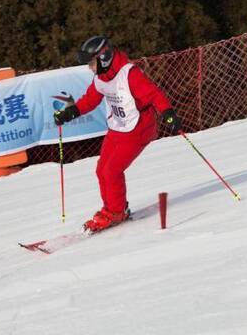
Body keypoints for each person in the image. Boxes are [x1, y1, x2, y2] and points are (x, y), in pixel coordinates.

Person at [53, 35, 181, 232]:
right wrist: (71, 112)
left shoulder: (129, 74)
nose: (90, 68)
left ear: (103, 57)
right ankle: (112, 208)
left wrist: (168, 113)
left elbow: (153, 94)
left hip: (138, 128)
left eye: (91, 63)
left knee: (112, 171)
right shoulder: (102, 78)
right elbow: (90, 100)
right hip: (118, 127)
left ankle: (116, 212)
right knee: (101, 169)